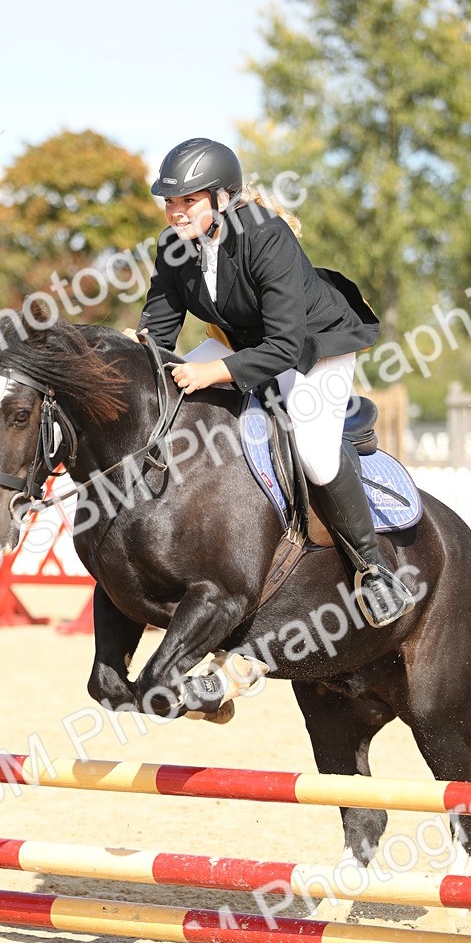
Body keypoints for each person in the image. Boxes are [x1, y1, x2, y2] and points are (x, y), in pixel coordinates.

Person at [138, 136, 413, 628]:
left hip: (313, 345)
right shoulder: (172, 248)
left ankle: (372, 568)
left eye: (187, 200)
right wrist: (131, 354)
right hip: (242, 341)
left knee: (313, 451)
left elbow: (285, 346)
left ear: (223, 198)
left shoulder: (266, 237)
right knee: (167, 398)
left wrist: (212, 372)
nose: (175, 212)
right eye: (169, 201)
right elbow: (157, 333)